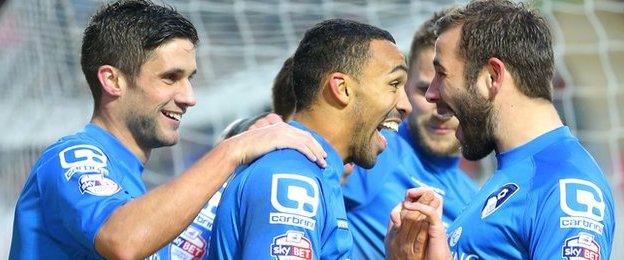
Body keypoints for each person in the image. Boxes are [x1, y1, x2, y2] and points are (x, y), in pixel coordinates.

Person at [9, 1, 327, 259]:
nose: (189, 97)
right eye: (170, 77)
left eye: (190, 78)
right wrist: (233, 150)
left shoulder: (135, 192)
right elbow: (124, 241)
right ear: (112, 80)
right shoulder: (70, 156)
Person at [389, 0, 615, 259]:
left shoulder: (566, 187)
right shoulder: (510, 175)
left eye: (442, 74)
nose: (431, 93)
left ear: (492, 77)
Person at [209, 18, 411, 259]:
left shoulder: (315, 172)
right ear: (342, 88)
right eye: (394, 84)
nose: (405, 105)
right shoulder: (293, 178)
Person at [342, 10, 478, 259]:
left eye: (455, 91)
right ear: (405, 86)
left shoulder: (476, 200)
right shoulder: (376, 150)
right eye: (425, 89)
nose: (440, 109)